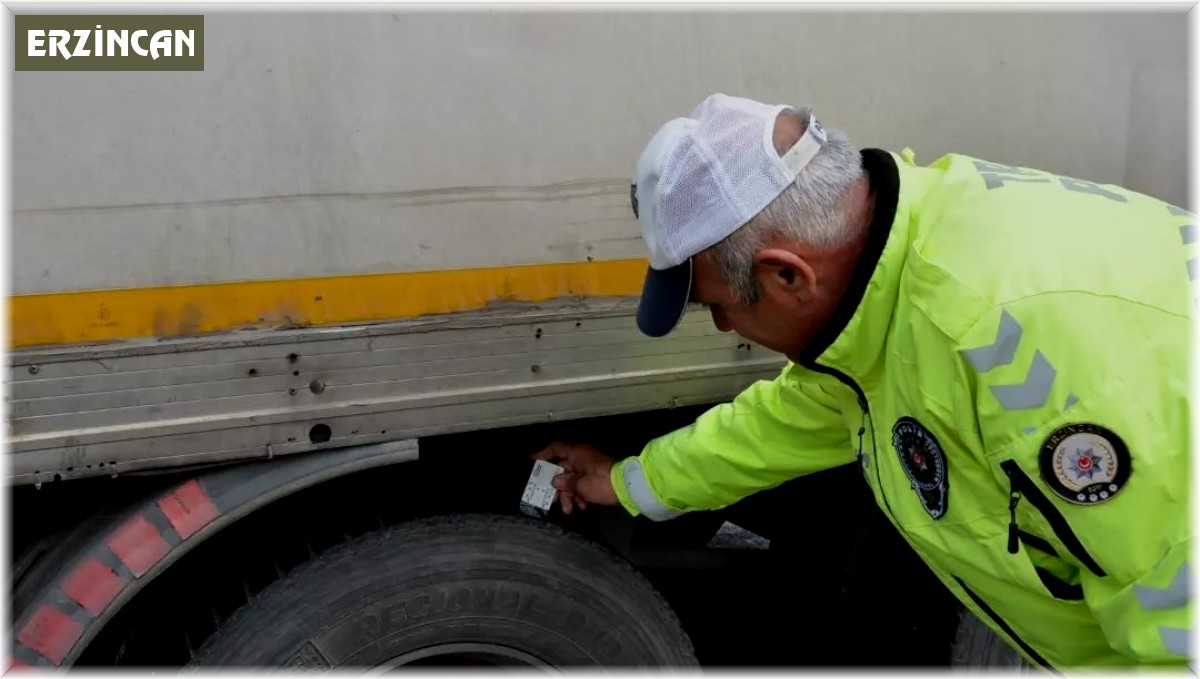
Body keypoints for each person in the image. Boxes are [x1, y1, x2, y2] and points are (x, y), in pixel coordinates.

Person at [534, 93, 1191, 669]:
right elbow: (785, 420)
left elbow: (1178, 632)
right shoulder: (901, 274)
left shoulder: (1016, 357)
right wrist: (624, 481)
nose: (723, 328)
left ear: (788, 275)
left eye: (716, 304)